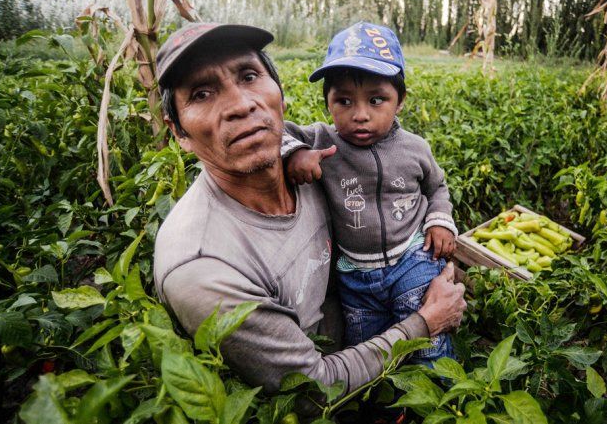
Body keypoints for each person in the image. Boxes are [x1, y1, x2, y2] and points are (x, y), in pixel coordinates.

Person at [151, 22, 466, 395]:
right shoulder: (202, 268)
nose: (240, 104)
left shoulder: (321, 168)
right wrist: (426, 320)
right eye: (202, 94)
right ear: (178, 133)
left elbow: (428, 189)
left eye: (249, 76)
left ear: (280, 98)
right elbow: (312, 391)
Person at [282, 22, 457, 365]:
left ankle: (434, 401)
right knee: (371, 348)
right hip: (355, 275)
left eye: (377, 100)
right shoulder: (323, 141)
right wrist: (296, 153)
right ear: (327, 104)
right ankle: (382, 408)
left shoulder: (415, 149)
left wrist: (441, 222)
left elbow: (437, 187)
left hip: (412, 260)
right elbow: (275, 132)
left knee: (428, 344)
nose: (360, 115)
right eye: (344, 101)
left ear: (400, 101)